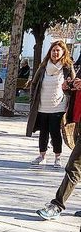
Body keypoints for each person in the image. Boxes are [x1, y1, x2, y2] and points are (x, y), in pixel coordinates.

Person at [36, 71, 81, 220]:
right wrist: (68, 86)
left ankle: (57, 205)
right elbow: (74, 85)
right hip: (78, 121)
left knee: (74, 166)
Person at [26, 39, 73, 171]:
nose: (55, 53)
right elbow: (34, 83)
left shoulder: (67, 68)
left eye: (58, 50)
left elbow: (73, 86)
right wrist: (32, 99)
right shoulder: (43, 67)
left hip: (58, 106)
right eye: (53, 50)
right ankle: (42, 156)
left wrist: (68, 86)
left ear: (63, 52)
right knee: (43, 132)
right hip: (42, 105)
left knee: (55, 132)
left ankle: (57, 157)